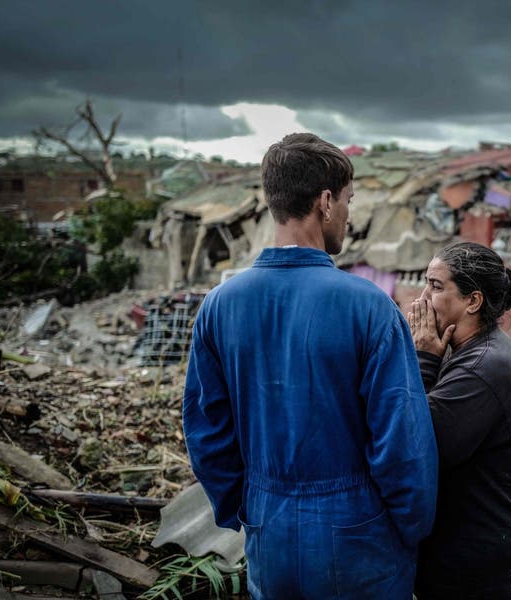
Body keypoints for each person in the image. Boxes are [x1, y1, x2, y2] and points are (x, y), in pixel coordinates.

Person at [183, 133, 438, 599]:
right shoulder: (369, 307)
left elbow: (206, 435)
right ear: (325, 201)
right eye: (347, 201)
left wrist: (247, 508)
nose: (348, 215)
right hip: (359, 535)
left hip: (267, 530)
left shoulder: (219, 307)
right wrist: (411, 528)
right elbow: (402, 444)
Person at [406, 241, 511, 600]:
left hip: (490, 573)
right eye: (425, 283)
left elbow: (420, 446)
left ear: (473, 301)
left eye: (436, 286)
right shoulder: (470, 351)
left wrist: (423, 361)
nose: (422, 297)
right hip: (473, 562)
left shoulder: (484, 367)